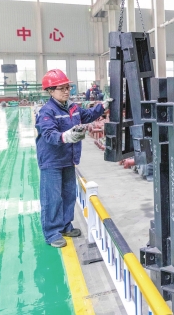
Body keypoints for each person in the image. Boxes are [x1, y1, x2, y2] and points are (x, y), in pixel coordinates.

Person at [35, 69, 111, 248]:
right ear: (50, 91)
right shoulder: (47, 111)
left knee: (69, 194)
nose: (66, 91)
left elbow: (87, 116)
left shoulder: (73, 107)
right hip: (52, 161)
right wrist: (66, 136)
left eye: (67, 87)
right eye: (61, 88)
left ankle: (65, 225)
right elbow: (49, 134)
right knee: (52, 198)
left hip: (68, 158)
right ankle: (52, 233)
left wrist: (103, 106)